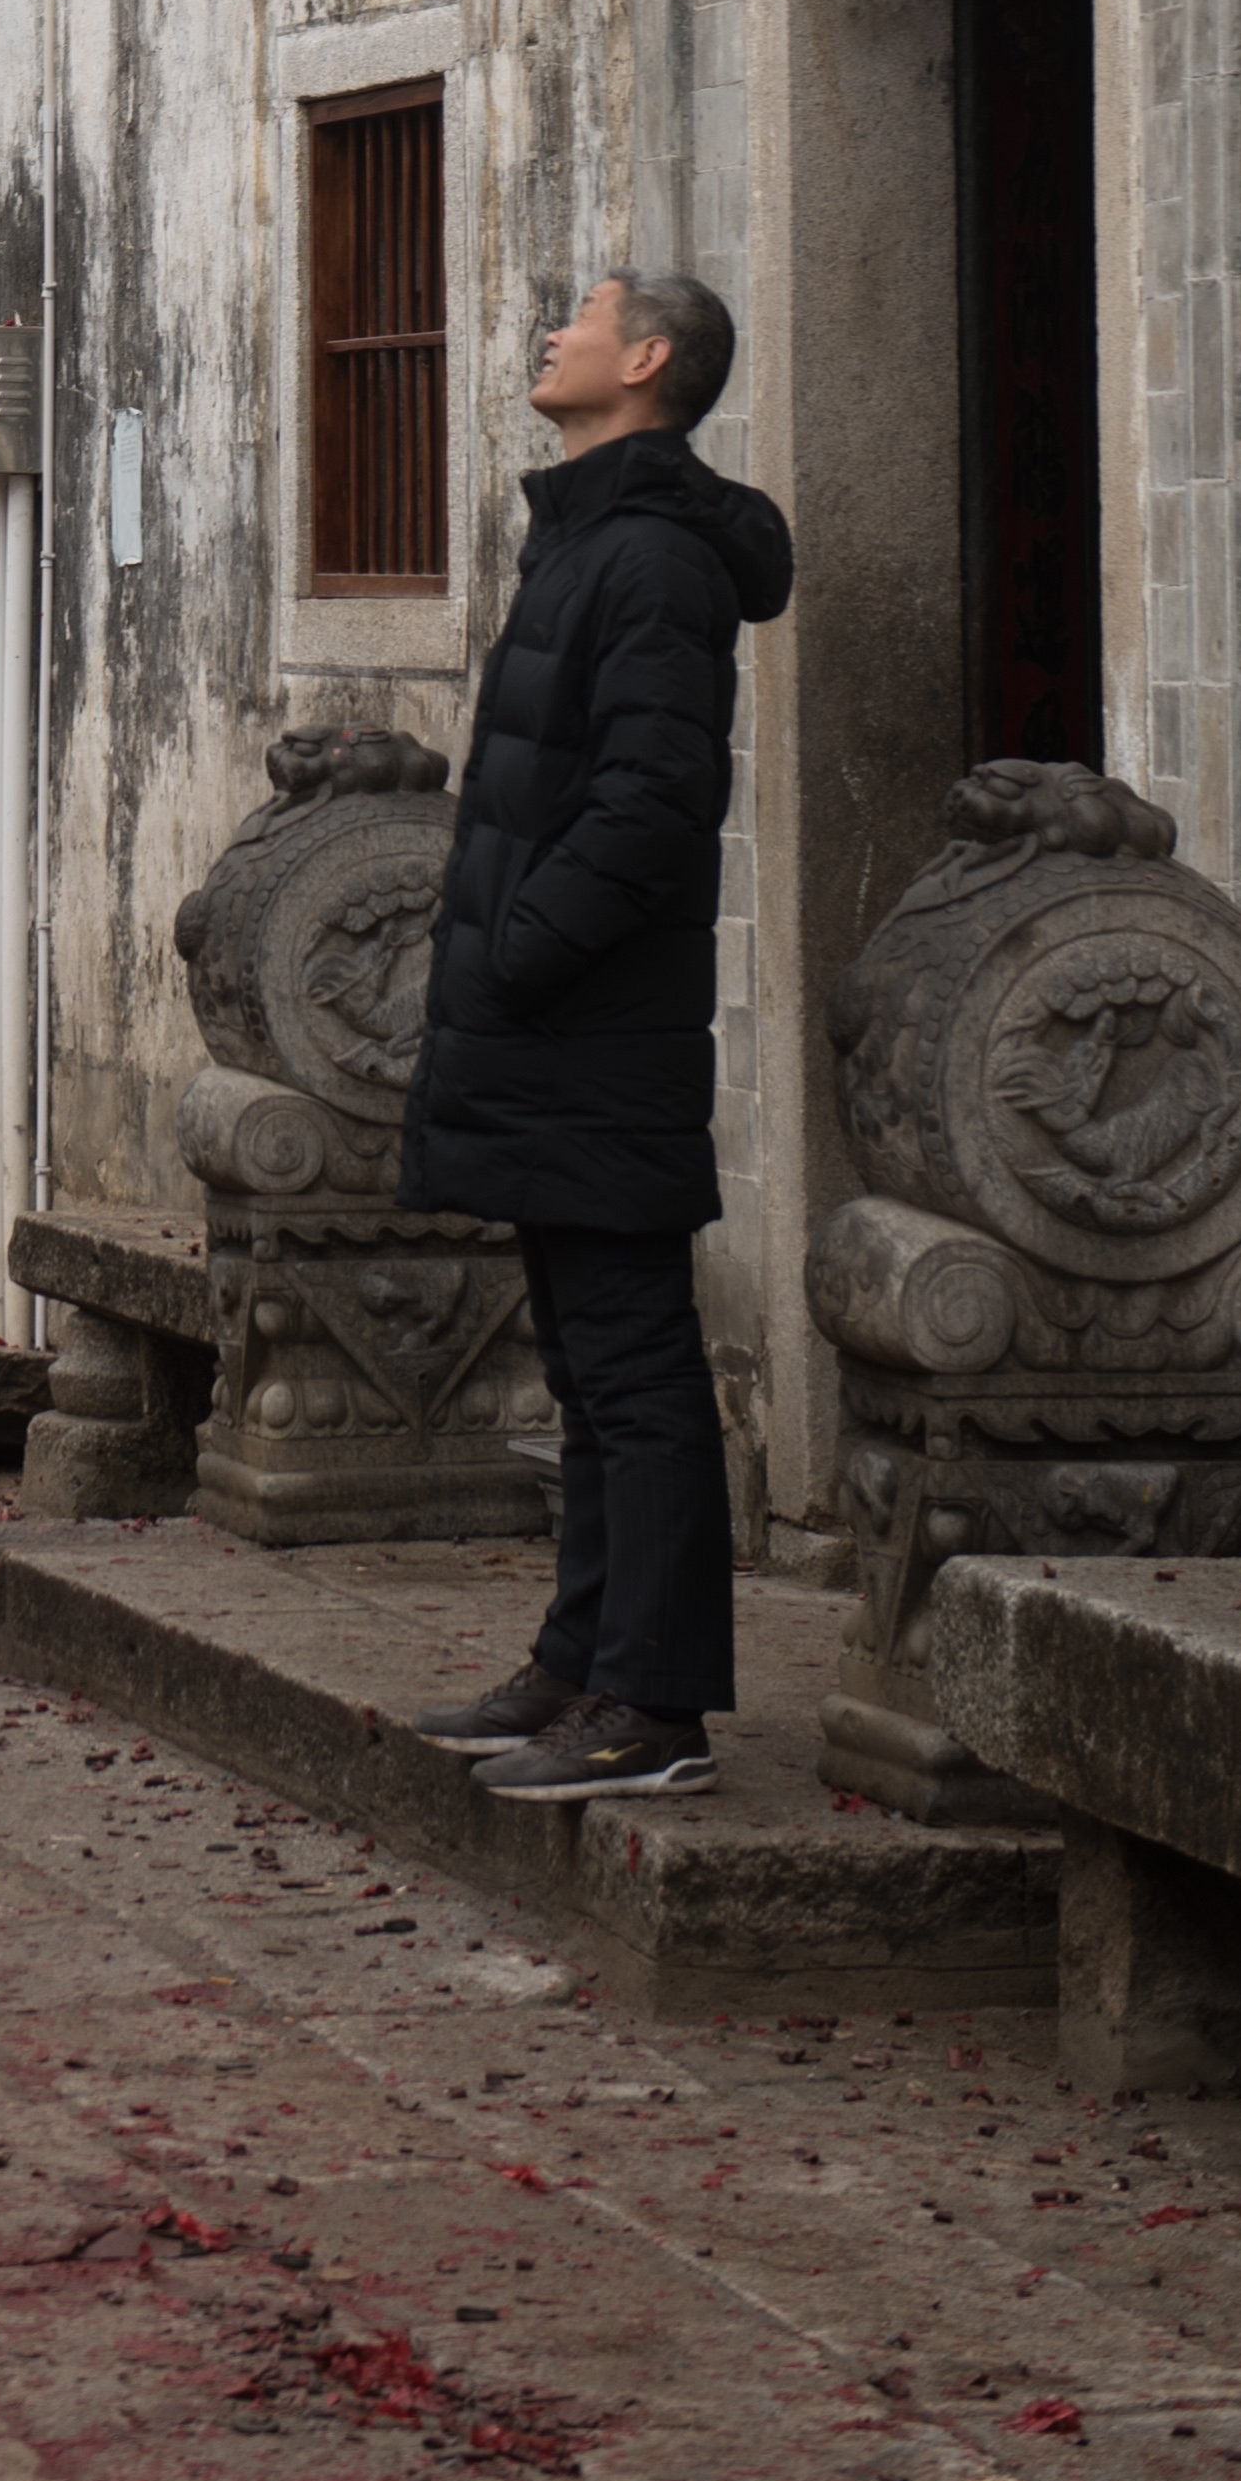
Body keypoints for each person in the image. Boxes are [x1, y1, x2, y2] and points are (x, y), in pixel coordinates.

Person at [398, 268, 792, 1807]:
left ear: (645, 363)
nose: (547, 327)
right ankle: (580, 1660)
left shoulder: (651, 559)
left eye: (581, 314)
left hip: (591, 1027)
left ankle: (654, 1707)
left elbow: (650, 802)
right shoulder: (589, 538)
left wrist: (519, 950)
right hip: (552, 1028)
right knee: (583, 1357)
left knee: (633, 1365)